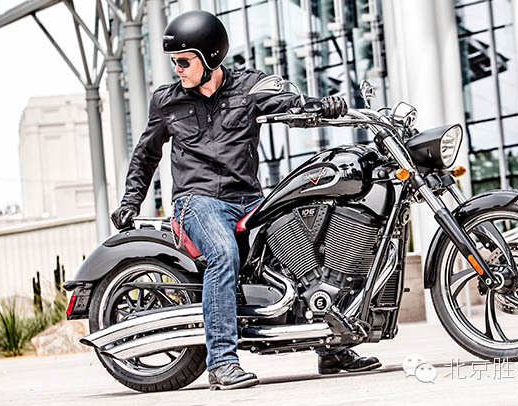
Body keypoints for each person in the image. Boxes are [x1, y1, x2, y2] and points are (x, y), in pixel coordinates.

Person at [110, 10, 381, 391]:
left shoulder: (249, 87)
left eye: (184, 62)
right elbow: (145, 155)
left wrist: (323, 106)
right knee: (223, 254)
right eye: (175, 62)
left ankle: (332, 347)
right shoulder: (166, 102)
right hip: (198, 201)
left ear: (210, 57)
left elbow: (290, 104)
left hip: (250, 199)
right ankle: (222, 363)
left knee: (306, 248)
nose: (178, 70)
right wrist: (131, 201)